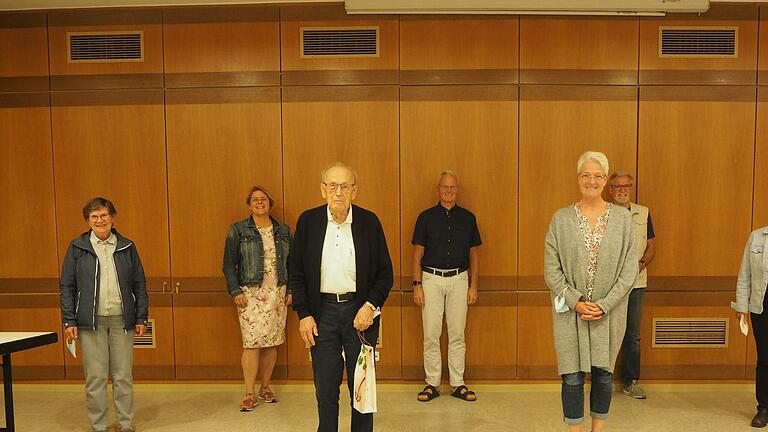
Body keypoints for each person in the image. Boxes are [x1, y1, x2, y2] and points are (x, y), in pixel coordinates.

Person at [289, 162, 393, 432]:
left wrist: (370, 307)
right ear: (322, 189)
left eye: (344, 186)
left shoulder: (369, 222)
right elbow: (296, 272)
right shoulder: (308, 222)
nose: (338, 192)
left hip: (360, 315)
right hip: (321, 314)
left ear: (354, 191)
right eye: (332, 185)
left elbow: (385, 273)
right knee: (325, 387)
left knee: (361, 387)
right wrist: (304, 314)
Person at [544, 151, 638, 432]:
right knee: (572, 376)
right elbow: (552, 269)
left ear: (605, 180)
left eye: (598, 175)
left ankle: (598, 429)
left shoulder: (623, 220)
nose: (591, 180)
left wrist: (605, 305)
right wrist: (576, 302)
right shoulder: (560, 219)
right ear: (578, 179)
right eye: (586, 175)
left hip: (608, 313)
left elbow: (629, 271)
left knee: (603, 374)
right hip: (570, 313)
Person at [60, 197, 149, 432]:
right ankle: (98, 426)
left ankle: (126, 424)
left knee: (123, 376)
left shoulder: (127, 246)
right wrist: (69, 319)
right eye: (94, 217)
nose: (100, 220)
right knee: (96, 378)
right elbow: (67, 285)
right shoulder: (77, 248)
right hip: (90, 322)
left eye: (104, 215)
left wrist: (141, 317)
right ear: (88, 221)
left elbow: (139, 284)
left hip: (123, 320)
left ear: (112, 217)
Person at [412, 170, 481, 402]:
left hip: (460, 280)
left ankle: (457, 384)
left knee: (457, 334)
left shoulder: (468, 218)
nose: (448, 191)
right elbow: (417, 254)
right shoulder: (425, 217)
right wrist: (417, 285)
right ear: (438, 189)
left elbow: (474, 254)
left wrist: (473, 286)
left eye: (452, 188)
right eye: (445, 187)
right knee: (431, 334)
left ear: (457, 190)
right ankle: (431, 383)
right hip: (430, 279)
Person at [223, 185, 292, 411]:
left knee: (272, 342)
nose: (259, 202)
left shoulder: (283, 230)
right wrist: (236, 291)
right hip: (250, 294)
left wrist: (291, 291)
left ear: (270, 204)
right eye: (255, 199)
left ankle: (266, 387)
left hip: (277, 293)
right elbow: (228, 265)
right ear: (249, 203)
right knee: (251, 343)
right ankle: (249, 393)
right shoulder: (238, 229)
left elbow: (293, 264)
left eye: (263, 199)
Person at [608, 171, 656, 399]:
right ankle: (603, 380)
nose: (622, 190)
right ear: (610, 189)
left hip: (636, 283)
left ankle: (630, 381)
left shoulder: (643, 213)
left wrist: (641, 264)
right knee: (607, 332)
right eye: (618, 186)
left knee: (632, 334)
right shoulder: (603, 213)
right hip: (609, 285)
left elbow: (651, 246)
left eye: (626, 186)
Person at [732, 226, 768, 427]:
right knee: (765, 358)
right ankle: (763, 407)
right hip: (761, 308)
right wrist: (741, 306)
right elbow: (745, 275)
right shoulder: (757, 237)